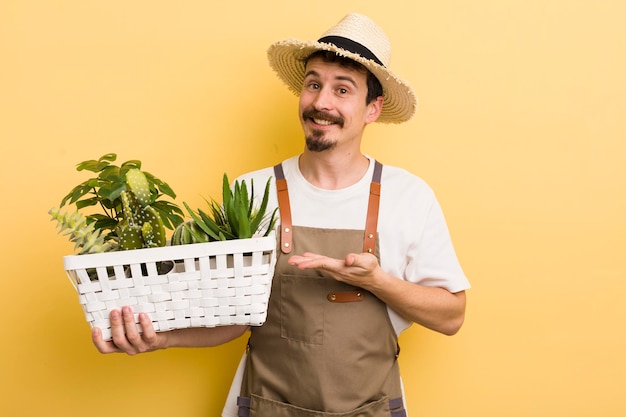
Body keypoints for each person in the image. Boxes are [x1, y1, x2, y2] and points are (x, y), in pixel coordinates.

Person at [93, 13, 470, 417]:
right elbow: (235, 319)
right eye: (313, 84)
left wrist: (378, 281)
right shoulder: (250, 194)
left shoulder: (409, 196)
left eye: (342, 89)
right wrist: (161, 338)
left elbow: (451, 315)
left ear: (372, 108)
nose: (321, 102)